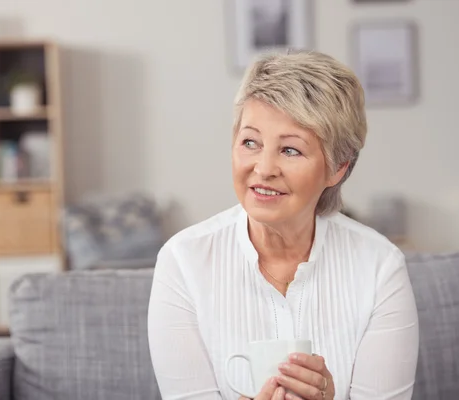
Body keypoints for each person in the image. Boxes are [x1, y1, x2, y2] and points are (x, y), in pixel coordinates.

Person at [147, 50, 419, 400]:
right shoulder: (183, 262)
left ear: (337, 167)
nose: (263, 168)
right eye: (250, 142)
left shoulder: (380, 266)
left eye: (290, 150)